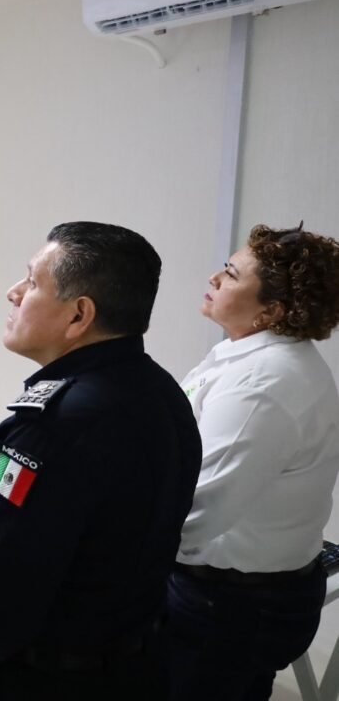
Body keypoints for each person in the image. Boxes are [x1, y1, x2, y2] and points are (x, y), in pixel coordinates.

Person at [0, 222, 202, 700]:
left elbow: (5, 569)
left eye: (31, 282)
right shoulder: (162, 392)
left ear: (79, 314)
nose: (13, 292)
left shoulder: (53, 428)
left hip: (50, 678)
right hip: (138, 663)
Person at [167, 223, 339, 701]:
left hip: (230, 604)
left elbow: (196, 512)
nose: (214, 278)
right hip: (233, 591)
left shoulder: (264, 384)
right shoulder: (244, 354)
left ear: (272, 311)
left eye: (230, 274)